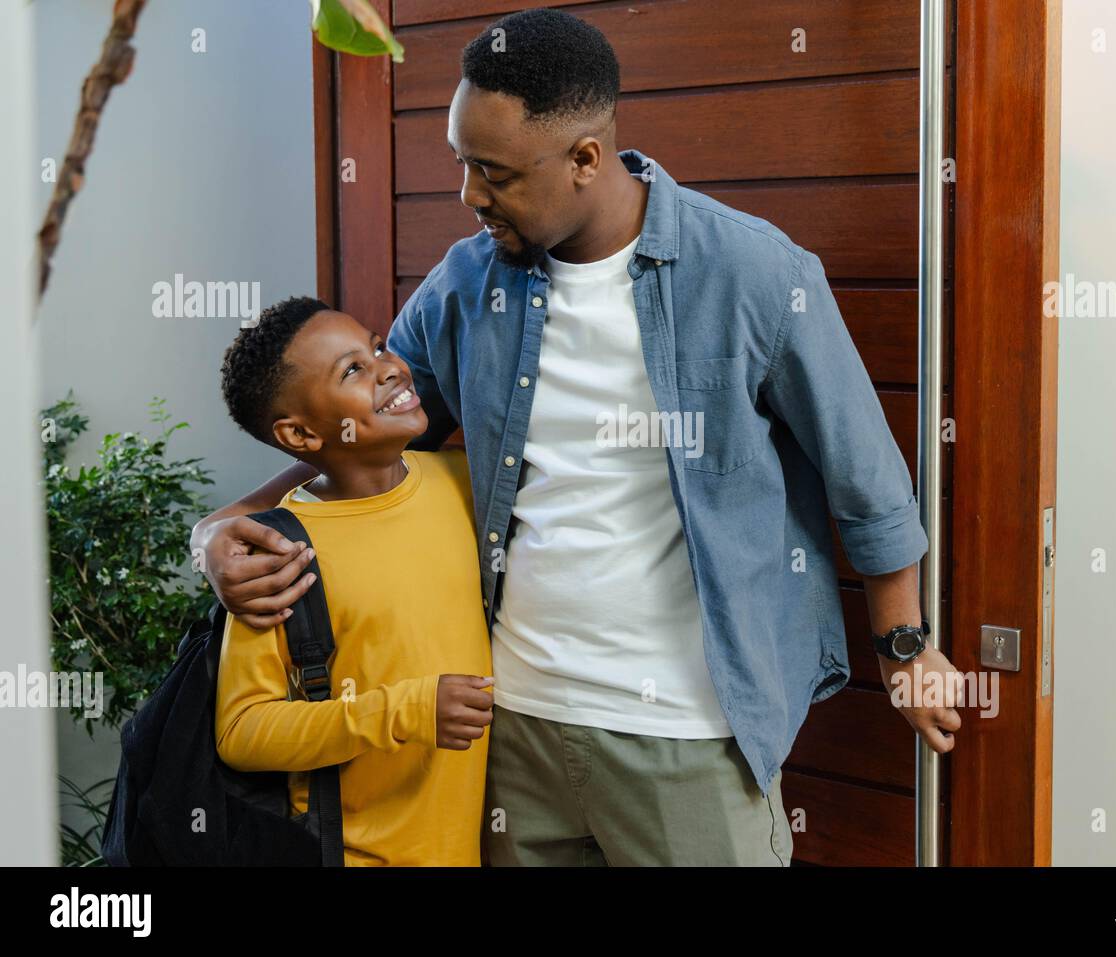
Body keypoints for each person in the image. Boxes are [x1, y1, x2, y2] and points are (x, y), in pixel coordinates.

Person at [193, 8, 962, 867]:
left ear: (585, 159)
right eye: (462, 164)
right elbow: (359, 436)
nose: (470, 195)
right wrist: (222, 528)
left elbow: (866, 476)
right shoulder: (467, 282)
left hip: (689, 734)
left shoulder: (755, 273)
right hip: (512, 728)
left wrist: (904, 648)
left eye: (495, 172)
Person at [212, 296, 494, 866]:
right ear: (299, 434)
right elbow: (242, 732)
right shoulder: (279, 552)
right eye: (352, 371)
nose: (389, 367)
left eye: (377, 346)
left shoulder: (466, 483)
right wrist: (403, 712)